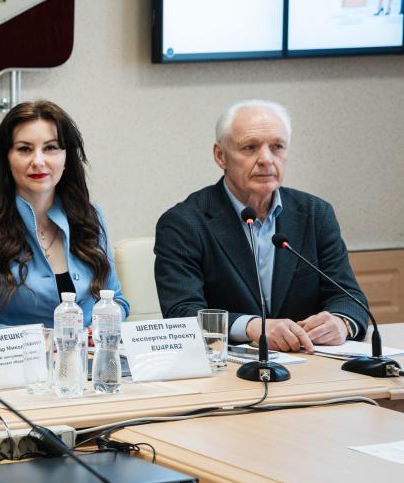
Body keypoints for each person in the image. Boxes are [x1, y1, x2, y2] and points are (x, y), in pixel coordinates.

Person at [155, 100, 368, 352]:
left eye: (277, 147)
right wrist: (251, 327)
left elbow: (349, 298)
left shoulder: (315, 214)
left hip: (309, 360)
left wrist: (342, 323)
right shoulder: (184, 223)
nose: (266, 159)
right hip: (226, 365)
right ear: (220, 156)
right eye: (250, 147)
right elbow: (181, 313)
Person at [0, 100, 128, 329]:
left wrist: (98, 328)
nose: (38, 161)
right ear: (6, 159)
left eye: (51, 148)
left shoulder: (91, 217)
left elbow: (116, 300)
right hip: (13, 352)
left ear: (66, 158)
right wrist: (39, 340)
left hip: (88, 352)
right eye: (25, 149)